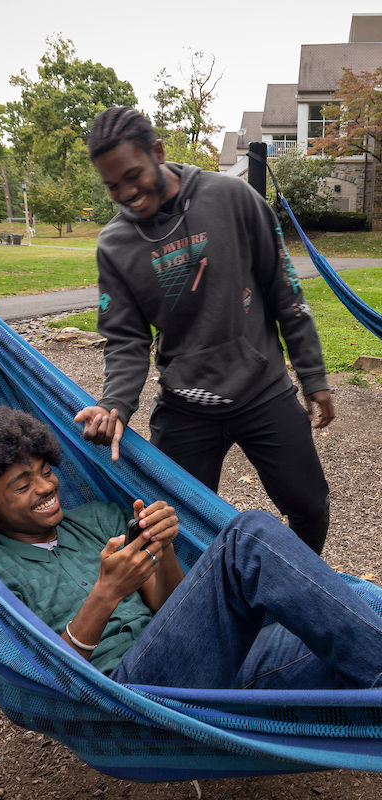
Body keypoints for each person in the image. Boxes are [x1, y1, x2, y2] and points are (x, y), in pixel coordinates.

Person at [0, 404, 382, 691]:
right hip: (129, 694)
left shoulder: (96, 519)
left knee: (345, 631)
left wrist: (161, 546)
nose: (45, 487)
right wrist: (105, 593)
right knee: (248, 536)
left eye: (46, 470)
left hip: (197, 663)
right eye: (22, 484)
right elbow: (49, 679)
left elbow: (168, 606)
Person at [74, 107, 335, 554]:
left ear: (158, 151)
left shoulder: (233, 199)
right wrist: (114, 402)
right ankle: (208, 605)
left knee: (310, 507)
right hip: (185, 404)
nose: (127, 194)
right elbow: (126, 338)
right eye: (112, 186)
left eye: (133, 176)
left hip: (262, 390)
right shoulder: (115, 244)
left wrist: (313, 376)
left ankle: (293, 593)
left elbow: (284, 290)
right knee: (168, 530)